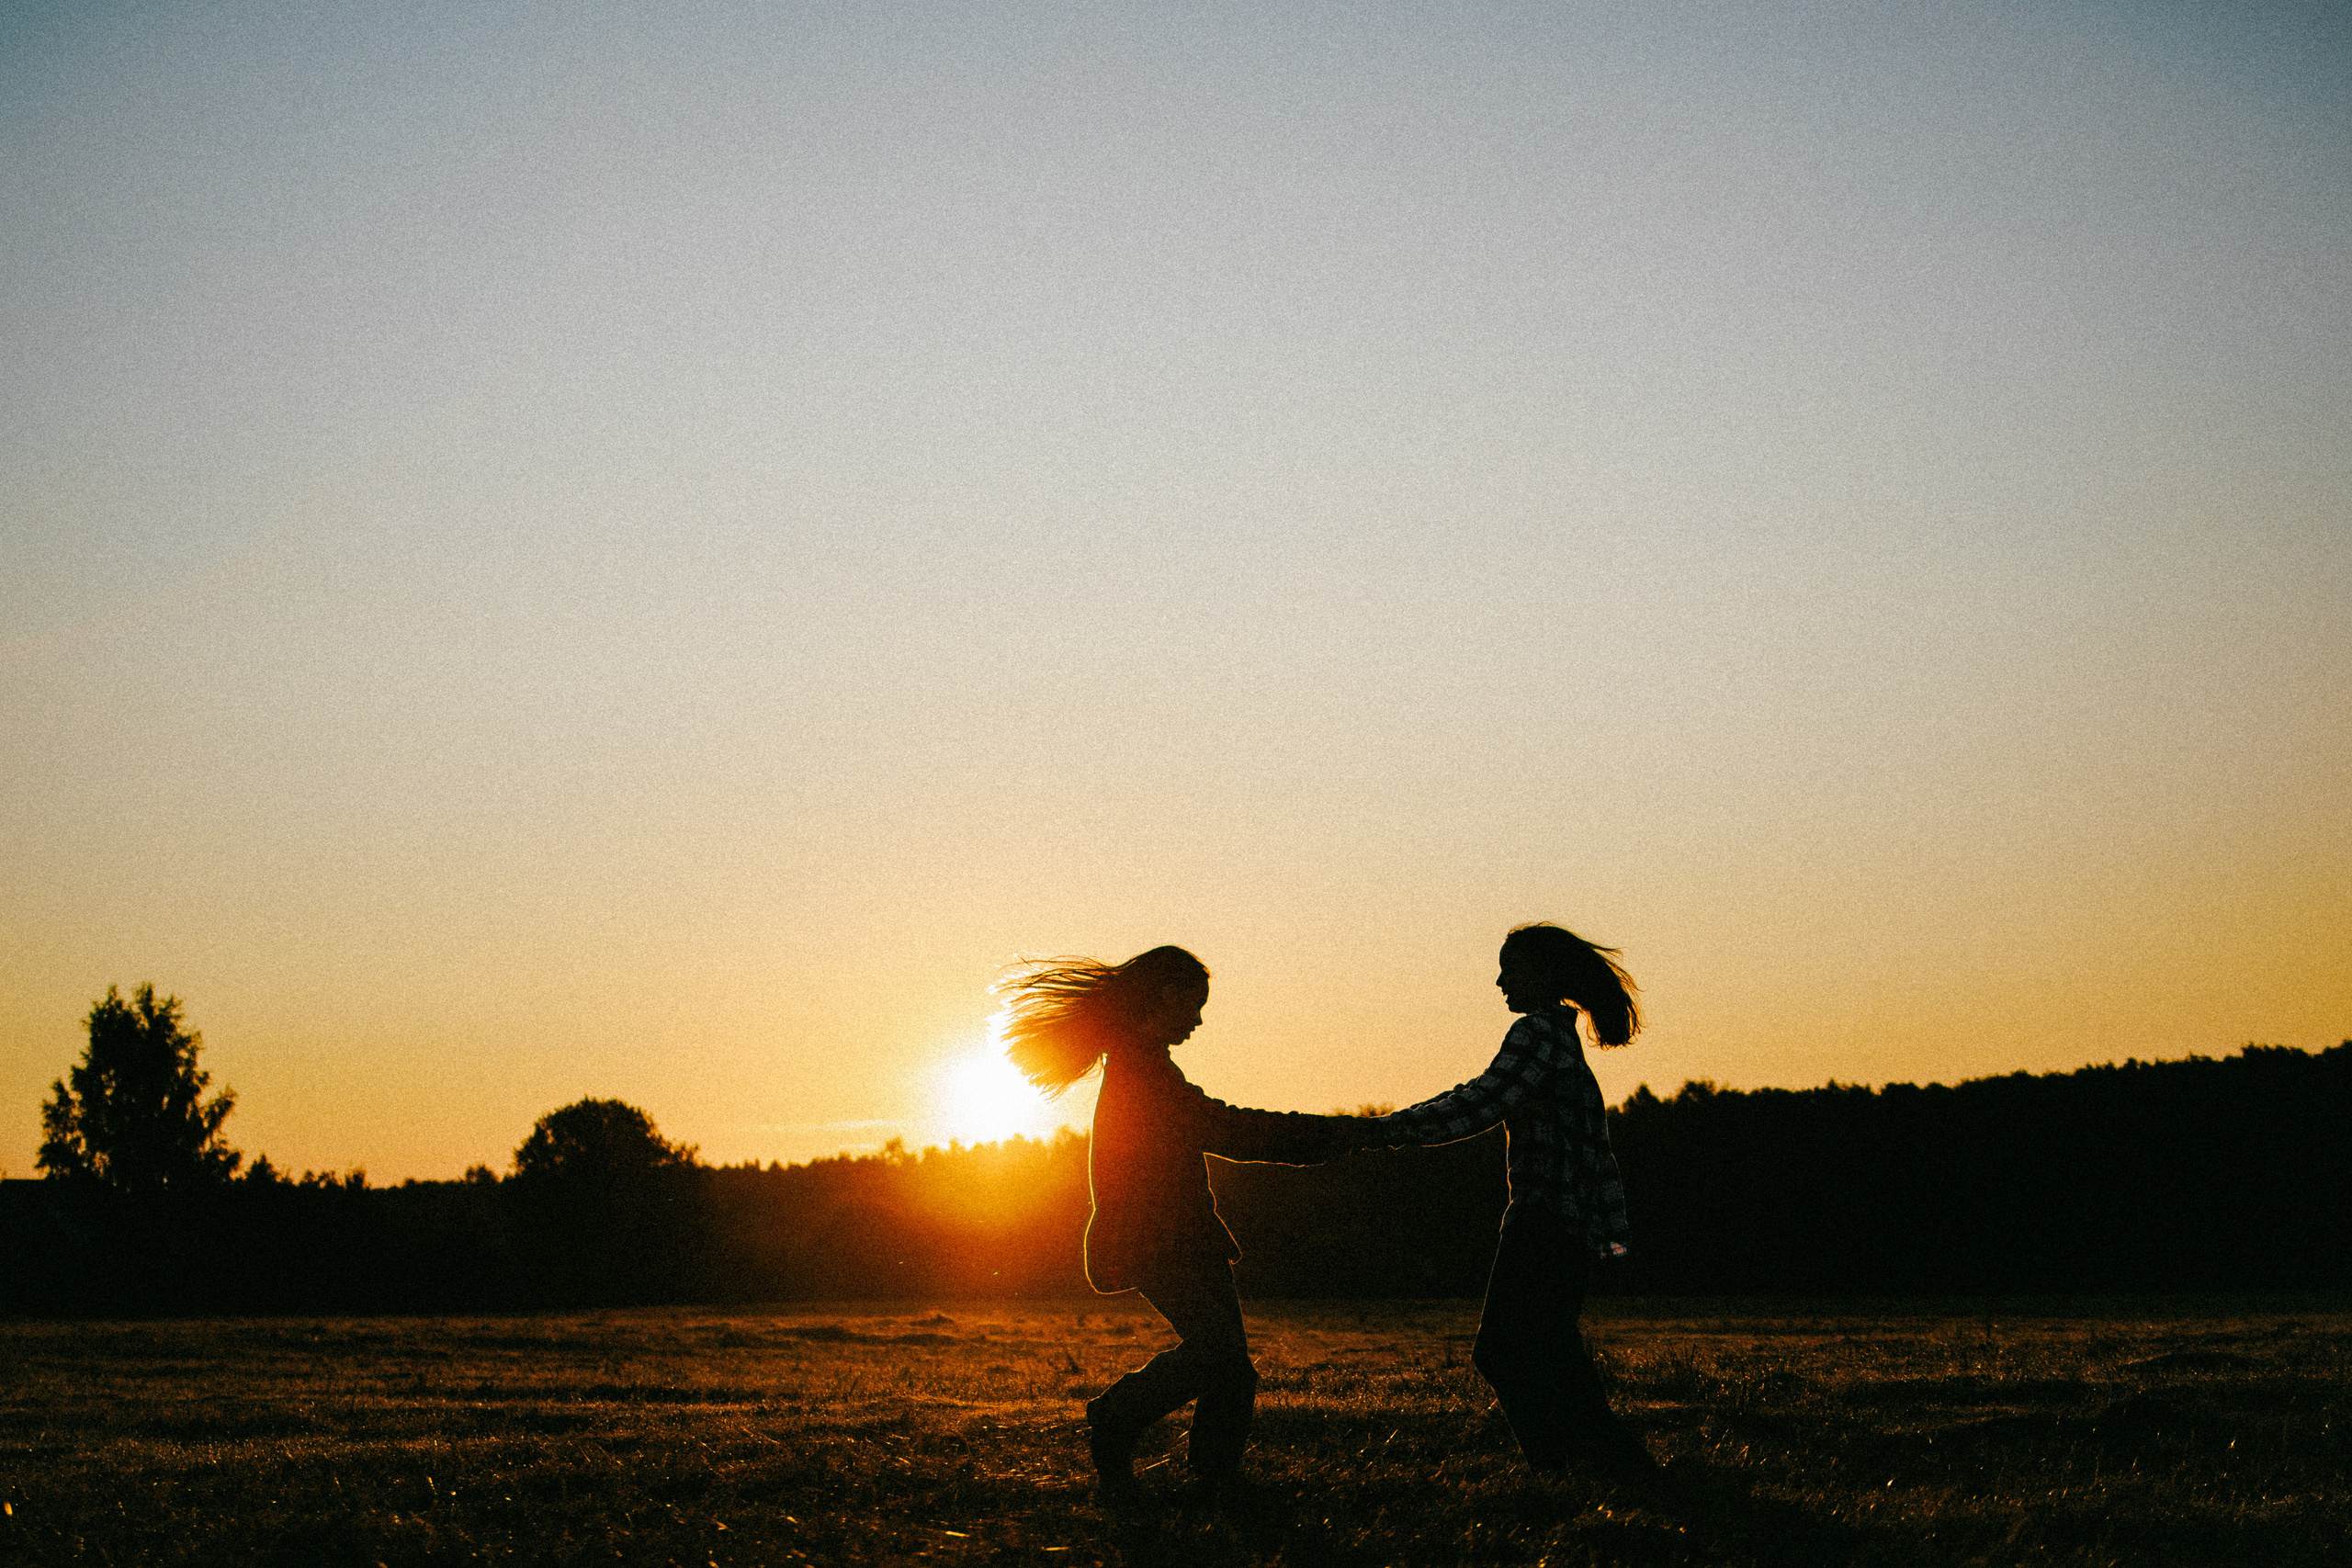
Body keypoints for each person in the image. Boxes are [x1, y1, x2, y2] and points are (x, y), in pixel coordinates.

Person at [998, 944, 1354, 1500]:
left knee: (1230, 1367)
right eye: (1196, 1003)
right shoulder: (1141, 1069)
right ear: (1166, 995)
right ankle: (1118, 1418)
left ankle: (1214, 1476)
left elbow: (1214, 1126)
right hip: (1161, 1240)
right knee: (1217, 1357)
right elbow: (1222, 1127)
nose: (1199, 1018)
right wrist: (1326, 1136)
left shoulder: (1143, 1063)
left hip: (1181, 1237)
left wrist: (1322, 1139)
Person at [1360, 922, 1659, 1482]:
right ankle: (1608, 1466)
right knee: (1553, 1350)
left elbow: (1481, 1100)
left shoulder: (1537, 1035)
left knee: (1502, 1351)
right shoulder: (1561, 1040)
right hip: (1566, 1227)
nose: (1499, 980)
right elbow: (1599, 1156)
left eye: (1511, 968)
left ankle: (1573, 1466)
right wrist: (1611, 1236)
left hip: (1542, 1222)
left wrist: (1384, 1132)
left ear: (1545, 976)